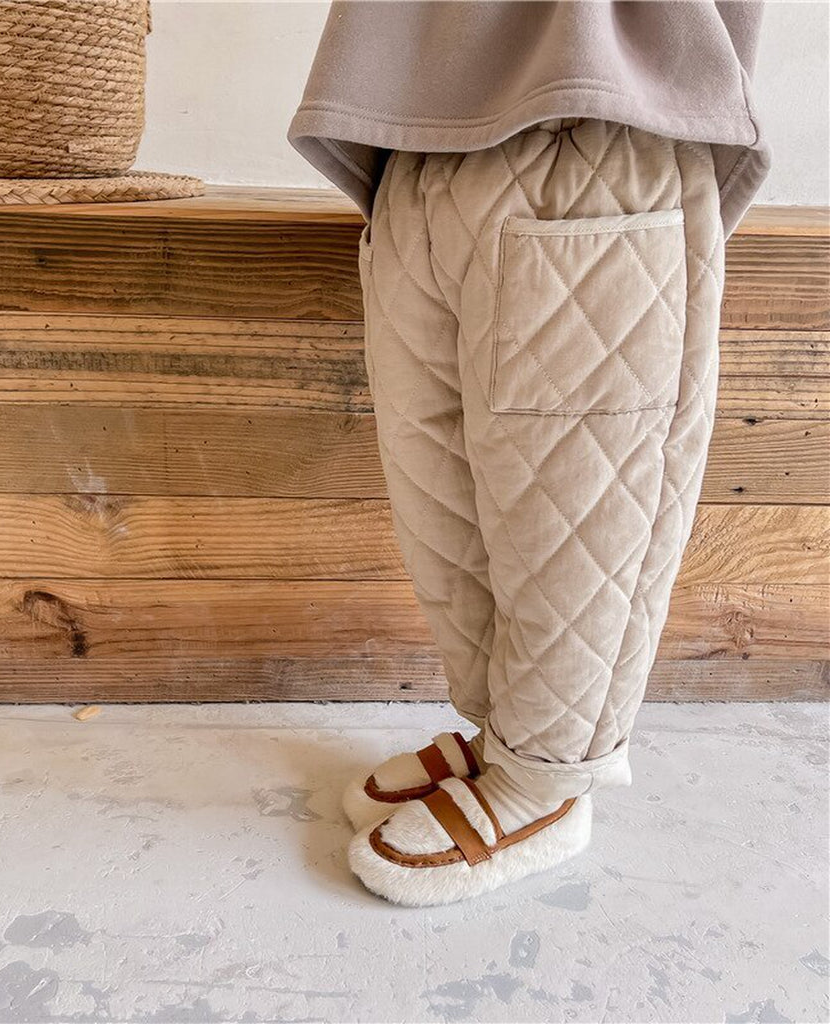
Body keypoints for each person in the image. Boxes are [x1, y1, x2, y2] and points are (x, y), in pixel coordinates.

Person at [288, 0, 770, 907]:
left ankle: (545, 781)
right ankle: (504, 738)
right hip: (423, 127)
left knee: (577, 512)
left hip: (594, 116)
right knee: (447, 504)